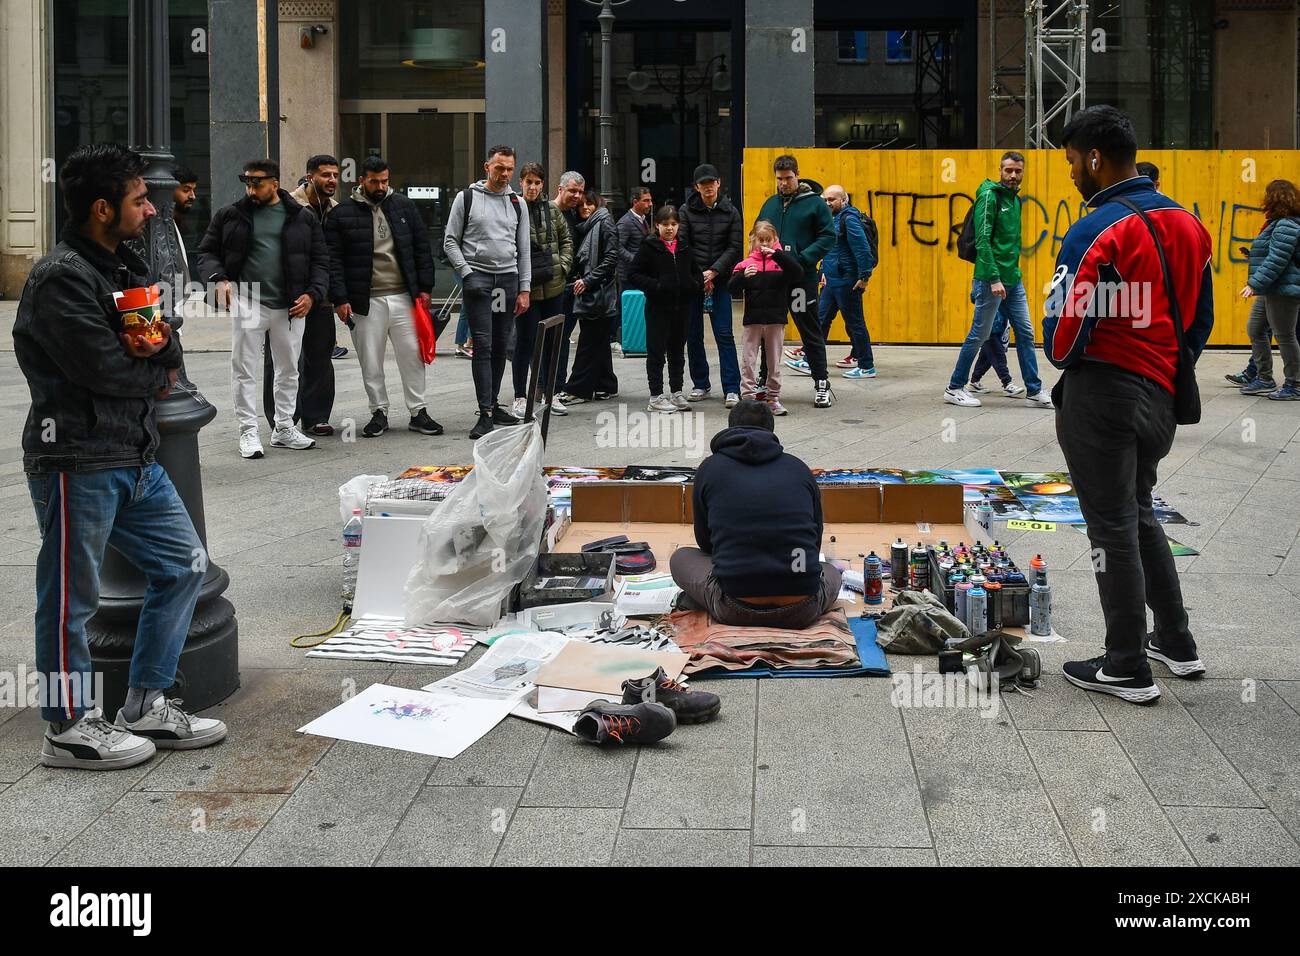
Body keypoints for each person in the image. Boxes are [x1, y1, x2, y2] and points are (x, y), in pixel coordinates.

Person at [14, 143, 227, 769]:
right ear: (103, 208)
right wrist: (155, 364)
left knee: (185, 566)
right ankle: (69, 726)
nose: (151, 212)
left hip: (136, 457)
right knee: (70, 601)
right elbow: (106, 369)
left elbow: (163, 340)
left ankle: (146, 702)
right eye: (140, 200)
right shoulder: (61, 279)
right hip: (76, 460)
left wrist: (156, 355)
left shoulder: (123, 266)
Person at [1043, 105, 1214, 704]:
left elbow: (1066, 329)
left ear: (1094, 158)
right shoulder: (1190, 224)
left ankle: (1125, 664)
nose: (1070, 174)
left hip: (1103, 394)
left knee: (1111, 526)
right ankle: (1177, 643)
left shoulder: (1098, 227)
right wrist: (1169, 361)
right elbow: (1201, 321)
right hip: (1163, 390)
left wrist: (1059, 355)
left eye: (1071, 162)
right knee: (1139, 514)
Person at [197, 158, 327, 458]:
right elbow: (207, 252)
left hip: (292, 304)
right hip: (248, 299)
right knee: (244, 368)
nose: (251, 188)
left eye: (258, 183)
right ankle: (248, 431)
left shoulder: (301, 217)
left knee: (289, 368)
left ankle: (283, 428)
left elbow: (321, 261)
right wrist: (219, 279)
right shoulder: (231, 214)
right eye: (248, 182)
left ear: (275, 184)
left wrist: (312, 295)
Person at [671, 400, 842, 628]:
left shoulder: (710, 468)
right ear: (771, 430)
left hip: (734, 607)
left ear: (730, 428)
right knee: (832, 571)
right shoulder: (798, 469)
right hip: (803, 608)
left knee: (681, 558)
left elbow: (706, 543)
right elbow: (813, 541)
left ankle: (707, 597)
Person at [326, 155, 440, 438]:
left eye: (385, 181)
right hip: (365, 300)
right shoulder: (342, 214)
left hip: (403, 295)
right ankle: (379, 411)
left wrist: (425, 288)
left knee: (412, 355)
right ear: (361, 180)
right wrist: (340, 299)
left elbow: (421, 248)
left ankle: (418, 411)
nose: (380, 186)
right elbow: (333, 260)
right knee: (370, 359)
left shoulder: (403, 206)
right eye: (374, 181)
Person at [943, 151, 1050, 409]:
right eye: (1008, 171)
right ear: (1000, 171)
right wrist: (993, 278)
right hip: (991, 280)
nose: (1013, 175)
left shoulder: (1015, 200)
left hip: (1013, 278)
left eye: (1018, 171)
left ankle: (1034, 390)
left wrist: (1009, 276)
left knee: (1025, 332)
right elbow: (982, 239)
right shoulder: (990, 197)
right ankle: (955, 387)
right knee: (979, 335)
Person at [443, 144, 533, 438]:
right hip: (478, 278)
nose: (505, 174)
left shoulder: (518, 203)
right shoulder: (466, 198)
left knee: (501, 343)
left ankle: (493, 404)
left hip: (506, 280)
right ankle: (484, 413)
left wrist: (524, 288)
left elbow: (524, 250)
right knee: (482, 343)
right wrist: (467, 273)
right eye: (499, 168)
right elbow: (450, 241)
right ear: (487, 167)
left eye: (509, 169)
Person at [267, 153, 341, 437]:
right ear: (310, 176)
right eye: (325, 175)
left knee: (320, 357)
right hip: (288, 297)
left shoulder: (334, 209)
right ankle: (282, 419)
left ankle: (316, 416)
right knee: (282, 359)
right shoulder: (287, 207)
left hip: (321, 296)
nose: (331, 180)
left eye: (335, 175)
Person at [755, 154, 836, 408]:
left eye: (788, 178)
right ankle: (763, 381)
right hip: (773, 280)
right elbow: (757, 235)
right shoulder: (770, 204)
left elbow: (827, 236)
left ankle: (821, 383)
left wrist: (803, 259)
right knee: (768, 331)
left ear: (797, 175)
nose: (783, 183)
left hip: (801, 279)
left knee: (809, 330)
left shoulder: (815, 204)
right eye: (779, 179)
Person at [511, 161, 573, 419]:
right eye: (529, 182)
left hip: (554, 286)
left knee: (553, 343)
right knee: (524, 343)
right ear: (521, 183)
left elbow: (566, 240)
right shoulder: (513, 208)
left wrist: (563, 267)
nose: (533, 187)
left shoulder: (552, 210)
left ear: (543, 184)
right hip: (528, 288)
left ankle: (551, 393)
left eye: (537, 182)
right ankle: (519, 396)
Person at [679, 163, 743, 408]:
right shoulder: (686, 211)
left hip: (721, 280)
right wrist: (700, 275)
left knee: (724, 333)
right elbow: (683, 245)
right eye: (702, 184)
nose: (707, 188)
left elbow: (734, 246)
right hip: (693, 281)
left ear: (718, 183)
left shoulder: (731, 211)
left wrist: (714, 271)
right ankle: (700, 383)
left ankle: (732, 388)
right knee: (693, 334)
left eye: (711, 182)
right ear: (696, 187)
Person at [629, 204, 703, 413]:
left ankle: (677, 391)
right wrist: (656, 286)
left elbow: (696, 272)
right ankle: (655, 395)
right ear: (657, 226)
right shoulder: (649, 247)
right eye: (665, 224)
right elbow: (633, 274)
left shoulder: (684, 247)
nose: (669, 228)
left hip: (682, 307)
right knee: (656, 352)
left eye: (673, 224)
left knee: (678, 351)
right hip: (657, 308)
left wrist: (694, 285)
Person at [729, 220, 804, 416]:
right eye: (760, 240)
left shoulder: (781, 262)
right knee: (748, 359)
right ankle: (747, 398)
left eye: (768, 240)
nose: (764, 244)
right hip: (753, 319)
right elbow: (732, 289)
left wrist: (778, 255)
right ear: (754, 240)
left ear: (774, 240)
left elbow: (798, 273)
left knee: (773, 361)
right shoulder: (746, 264)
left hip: (775, 319)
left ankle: (773, 397)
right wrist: (743, 276)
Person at [1237, 179, 1300, 401]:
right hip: (1272, 288)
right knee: (1255, 329)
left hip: (1283, 290)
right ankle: (1264, 378)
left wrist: (1254, 283)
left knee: (1285, 335)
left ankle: (1295, 384)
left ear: (1274, 197)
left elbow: (1277, 260)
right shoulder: (1277, 222)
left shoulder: (1287, 225)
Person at [556, 190, 619, 404]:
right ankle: (606, 384)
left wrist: (588, 280)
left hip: (599, 293)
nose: (585, 208)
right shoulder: (588, 226)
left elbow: (611, 258)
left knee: (588, 342)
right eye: (581, 205)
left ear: (597, 204)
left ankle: (578, 389)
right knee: (598, 341)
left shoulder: (604, 222)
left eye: (589, 204)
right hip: (592, 292)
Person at [819, 185, 878, 380]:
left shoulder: (849, 219)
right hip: (832, 279)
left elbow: (862, 249)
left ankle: (866, 366)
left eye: (832, 200)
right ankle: (811, 359)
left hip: (847, 280)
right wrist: (823, 271)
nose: (828, 203)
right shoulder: (831, 219)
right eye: (826, 200)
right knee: (820, 319)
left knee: (855, 324)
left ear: (843, 200)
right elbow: (829, 250)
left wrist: (864, 277)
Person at [543, 171, 588, 396]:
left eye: (580, 192)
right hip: (552, 286)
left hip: (571, 287)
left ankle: (555, 386)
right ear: (560, 189)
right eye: (572, 191)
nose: (577, 196)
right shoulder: (547, 212)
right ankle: (548, 386)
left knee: (561, 339)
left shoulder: (574, 215)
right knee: (551, 339)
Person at [615, 186, 653, 354]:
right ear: (635, 201)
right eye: (646, 201)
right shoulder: (625, 222)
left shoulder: (642, 219)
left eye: (650, 200)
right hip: (628, 275)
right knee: (628, 308)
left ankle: (637, 339)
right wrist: (636, 260)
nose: (650, 204)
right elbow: (617, 247)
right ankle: (626, 341)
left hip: (639, 274)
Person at [966, 314, 1025, 397]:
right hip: (991, 325)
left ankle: (974, 381)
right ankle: (1007, 383)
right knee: (998, 355)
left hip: (995, 323)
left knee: (987, 356)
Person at [170, 163, 198, 288]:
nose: (193, 196)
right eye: (186, 190)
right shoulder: (160, 225)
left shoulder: (178, 222)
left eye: (193, 190)